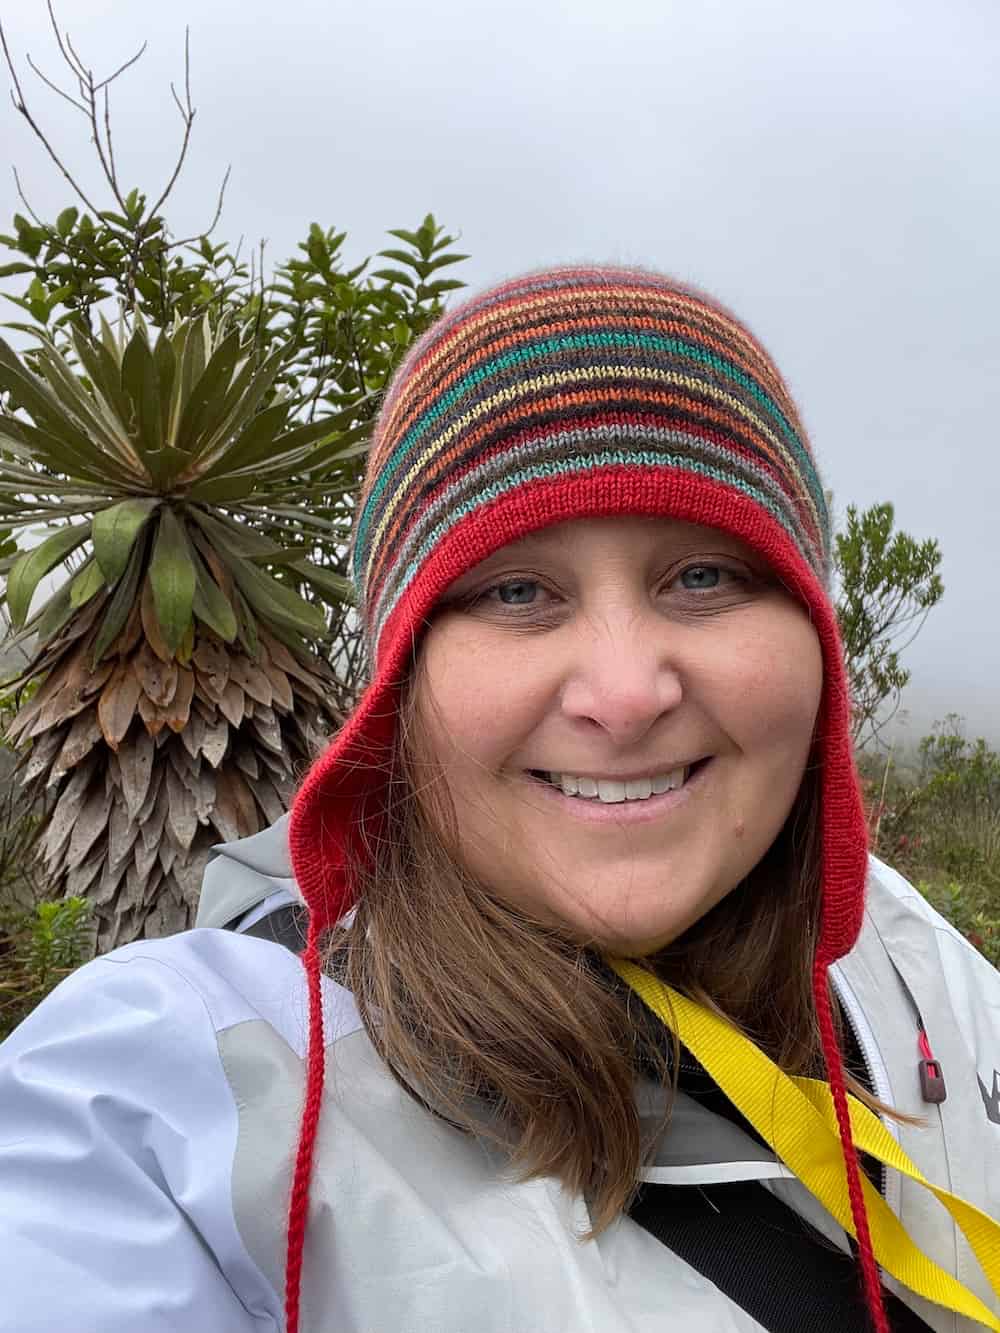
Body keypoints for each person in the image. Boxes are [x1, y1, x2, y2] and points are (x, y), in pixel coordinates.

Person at [1, 267, 998, 1333]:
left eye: (703, 577)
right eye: (516, 591)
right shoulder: (162, 1093)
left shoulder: (910, 951)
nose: (623, 695)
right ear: (401, 685)